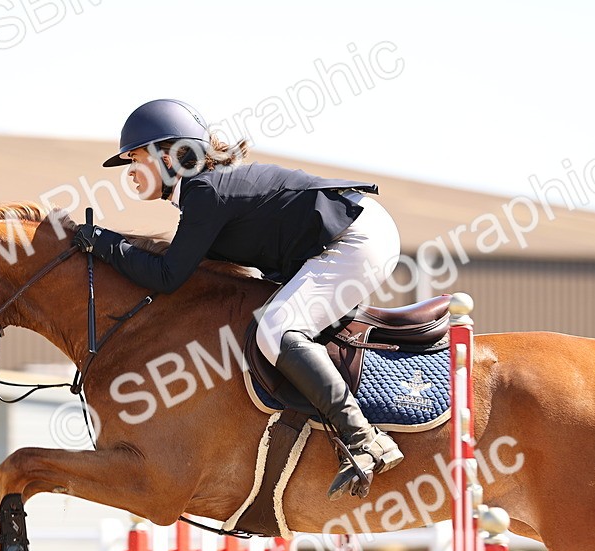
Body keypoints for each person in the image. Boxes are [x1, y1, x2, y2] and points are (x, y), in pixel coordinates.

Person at [74, 99, 404, 499]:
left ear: (168, 154)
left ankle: (363, 438)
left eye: (136, 158)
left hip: (355, 238)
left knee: (276, 331)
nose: (130, 172)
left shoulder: (202, 191)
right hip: (344, 237)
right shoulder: (201, 191)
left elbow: (167, 276)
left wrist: (102, 242)